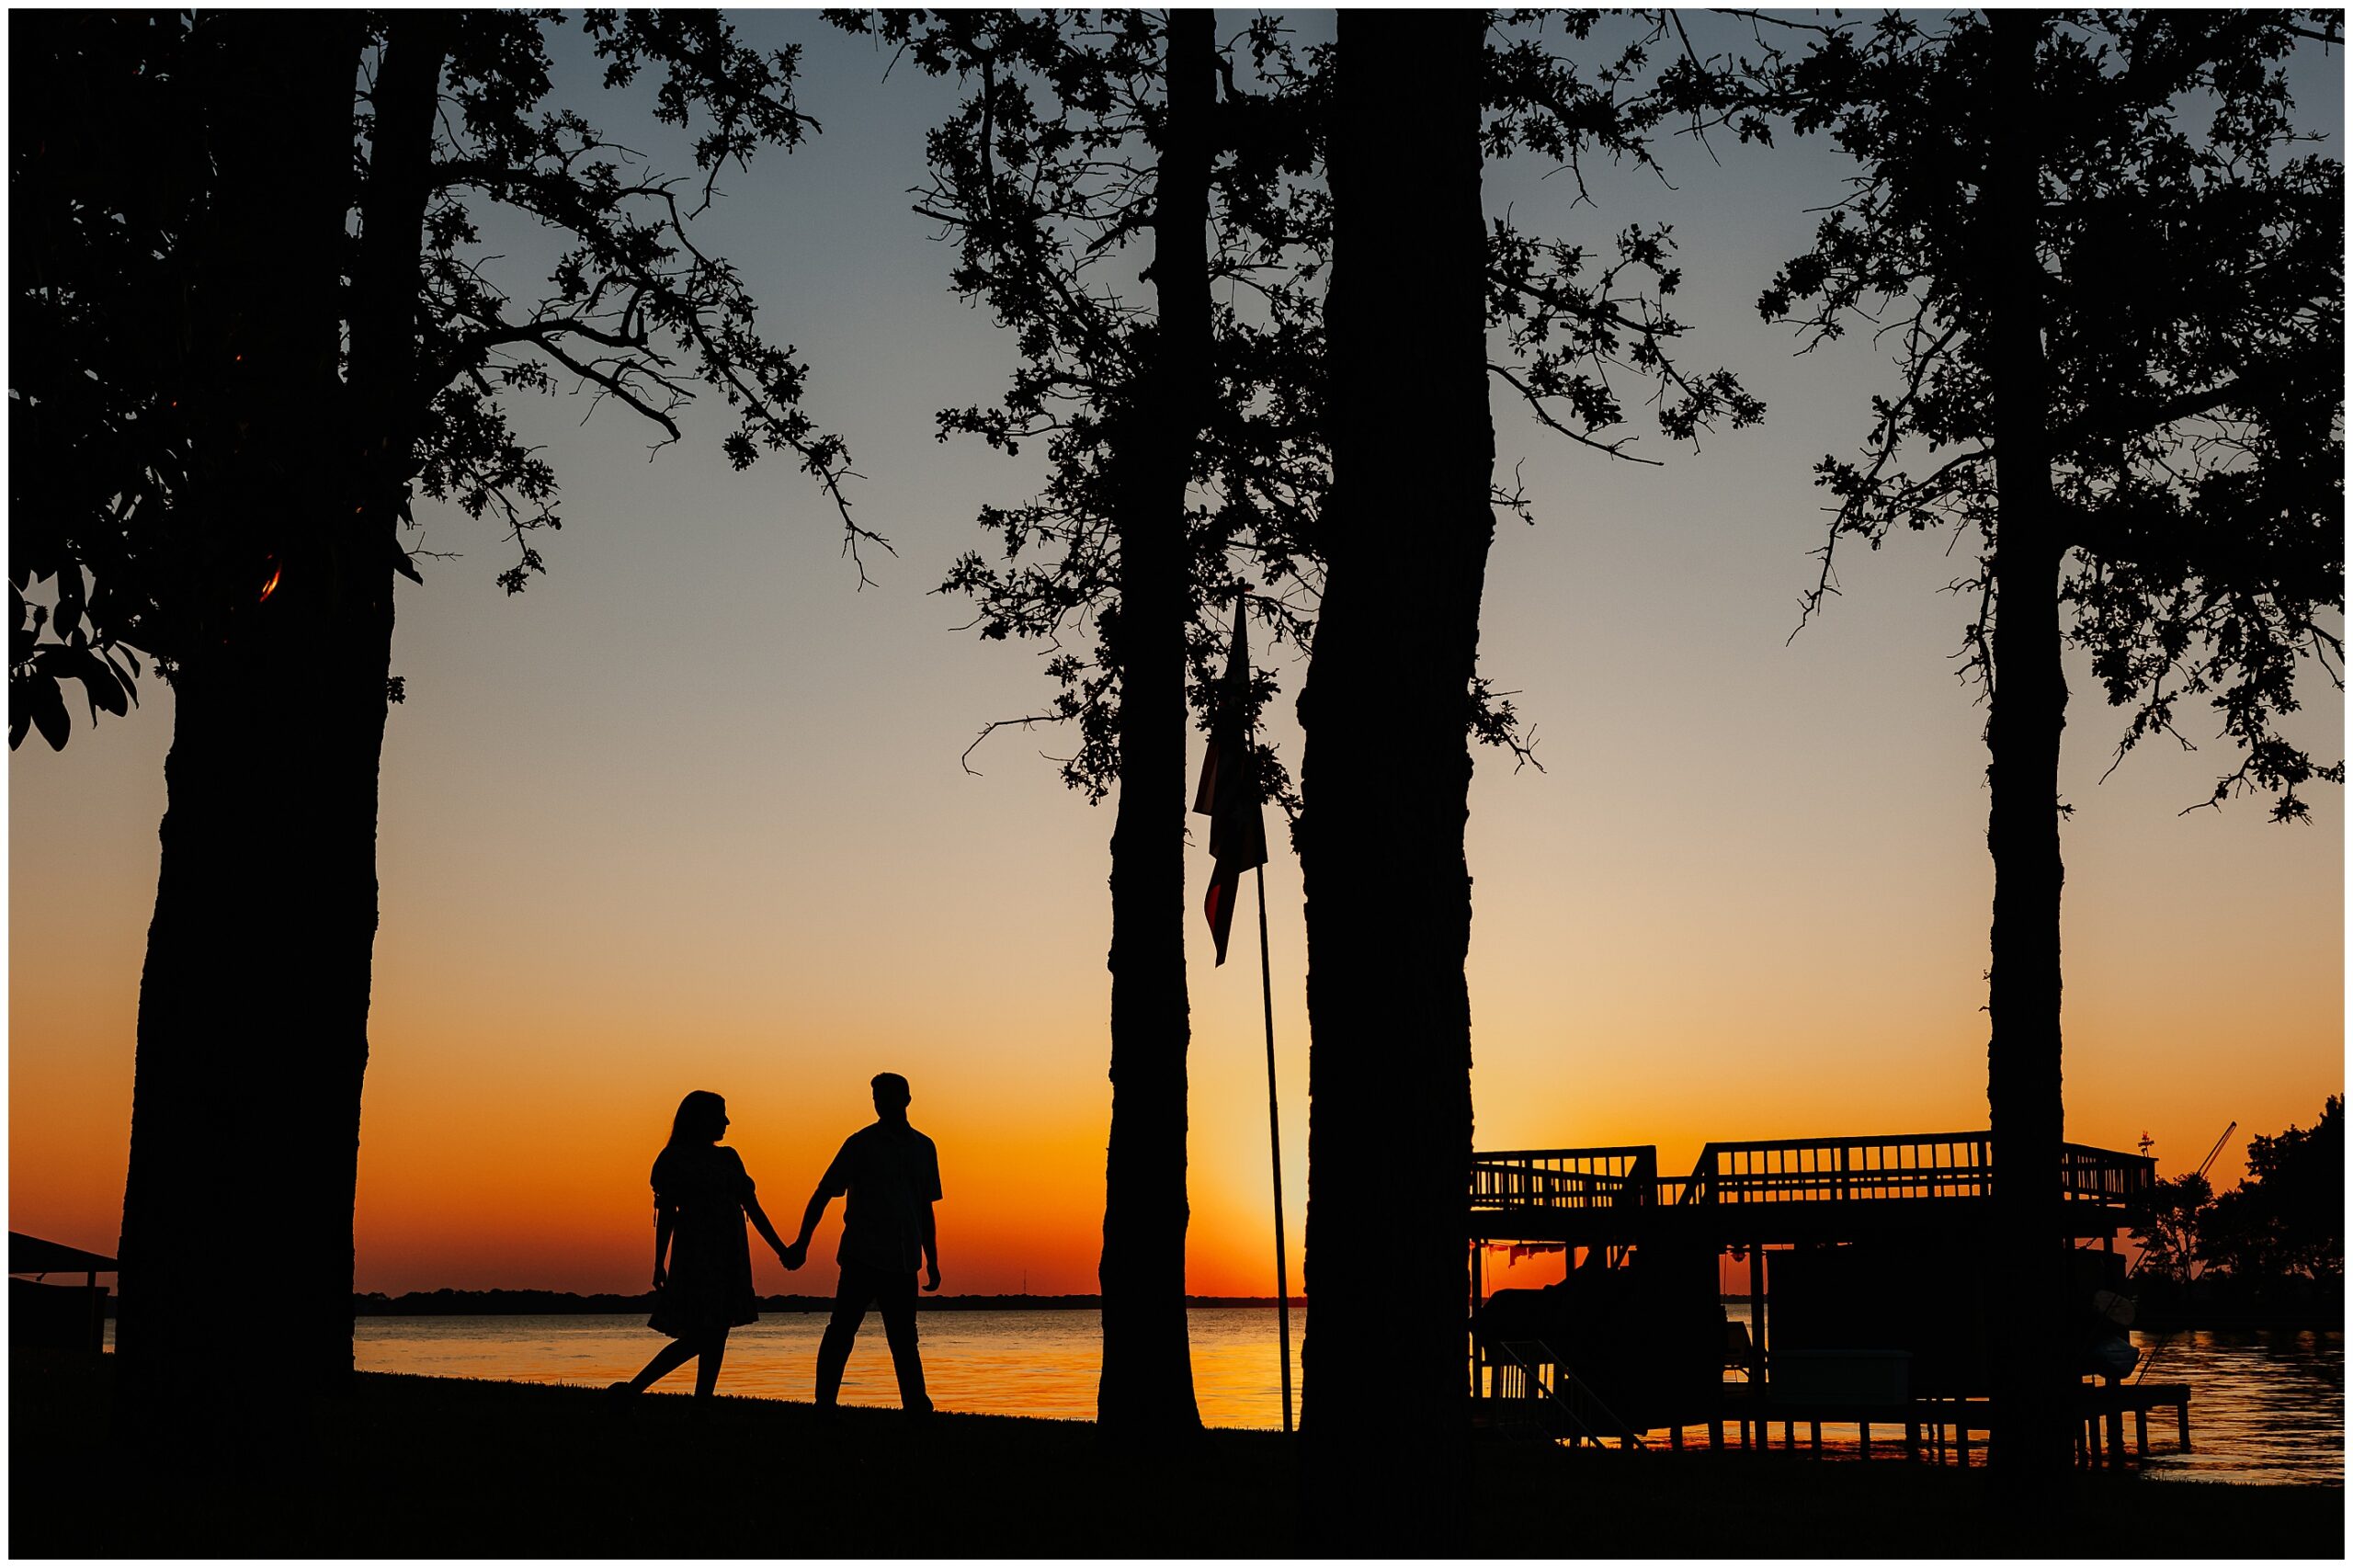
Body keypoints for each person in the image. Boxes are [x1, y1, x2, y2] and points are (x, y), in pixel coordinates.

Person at [610, 1090, 791, 1400]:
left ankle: (698, 1402)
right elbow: (666, 1212)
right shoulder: (675, 1159)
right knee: (702, 1335)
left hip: (730, 1253)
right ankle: (635, 1389)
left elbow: (753, 1207)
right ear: (700, 1118)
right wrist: (659, 1262)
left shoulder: (729, 1158)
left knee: (717, 1331)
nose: (727, 1121)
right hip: (696, 1252)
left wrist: (781, 1249)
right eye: (720, 1115)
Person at [783, 1072, 942, 1416]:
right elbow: (824, 1192)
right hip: (862, 1256)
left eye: (885, 1096)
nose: (879, 1103)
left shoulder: (924, 1148)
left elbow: (925, 1207)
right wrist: (802, 1243)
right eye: (876, 1097)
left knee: (904, 1338)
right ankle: (824, 1403)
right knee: (841, 1331)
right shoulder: (860, 1144)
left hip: (903, 1261)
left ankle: (916, 1406)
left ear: (906, 1100)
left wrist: (932, 1259)